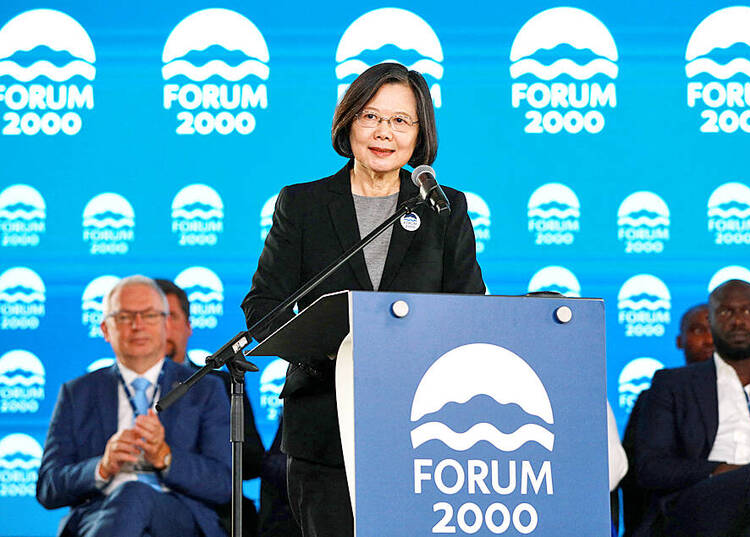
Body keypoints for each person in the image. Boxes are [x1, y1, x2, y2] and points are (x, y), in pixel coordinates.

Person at [241, 62, 485, 537]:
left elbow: (470, 312)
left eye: (400, 121)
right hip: (323, 424)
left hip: (425, 429)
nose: (383, 133)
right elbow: (263, 309)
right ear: (349, 121)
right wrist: (336, 351)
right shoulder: (303, 204)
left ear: (420, 134)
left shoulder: (443, 207)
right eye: (371, 117)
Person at [36, 275, 231, 537]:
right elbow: (48, 487)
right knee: (128, 498)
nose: (138, 326)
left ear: (166, 324)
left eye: (149, 315)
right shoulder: (77, 393)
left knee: (135, 493)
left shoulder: (204, 389)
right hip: (97, 516)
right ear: (105, 329)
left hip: (178, 518)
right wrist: (101, 467)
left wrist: (165, 457)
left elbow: (224, 483)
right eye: (125, 317)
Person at [634, 280, 750, 537]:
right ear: (711, 321)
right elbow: (650, 468)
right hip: (697, 506)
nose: (738, 321)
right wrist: (720, 469)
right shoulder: (672, 384)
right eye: (726, 312)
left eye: (748, 311)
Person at [154, 278, 273, 537]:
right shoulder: (106, 389)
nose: (161, 328)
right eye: (152, 318)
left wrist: (195, 456)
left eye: (170, 317)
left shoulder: (220, 384)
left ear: (188, 327)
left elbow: (252, 462)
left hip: (211, 513)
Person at [621, 303, 712, 536]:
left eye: (714, 329)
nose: (709, 339)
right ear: (679, 340)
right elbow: (634, 478)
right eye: (698, 330)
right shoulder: (653, 397)